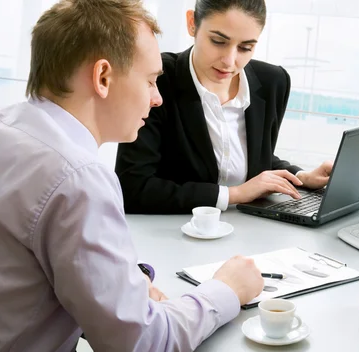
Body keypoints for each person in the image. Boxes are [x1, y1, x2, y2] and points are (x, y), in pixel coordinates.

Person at [0, 1, 264, 352]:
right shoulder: (77, 179)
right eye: (150, 81)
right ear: (102, 76)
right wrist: (226, 290)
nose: (157, 99)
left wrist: (129, 279)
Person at [115, 0, 333, 214]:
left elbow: (250, 159)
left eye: (245, 47)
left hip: (249, 229)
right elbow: (132, 187)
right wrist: (235, 194)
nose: (230, 61)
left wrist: (302, 177)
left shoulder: (273, 82)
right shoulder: (159, 80)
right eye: (218, 41)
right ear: (192, 23)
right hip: (174, 232)